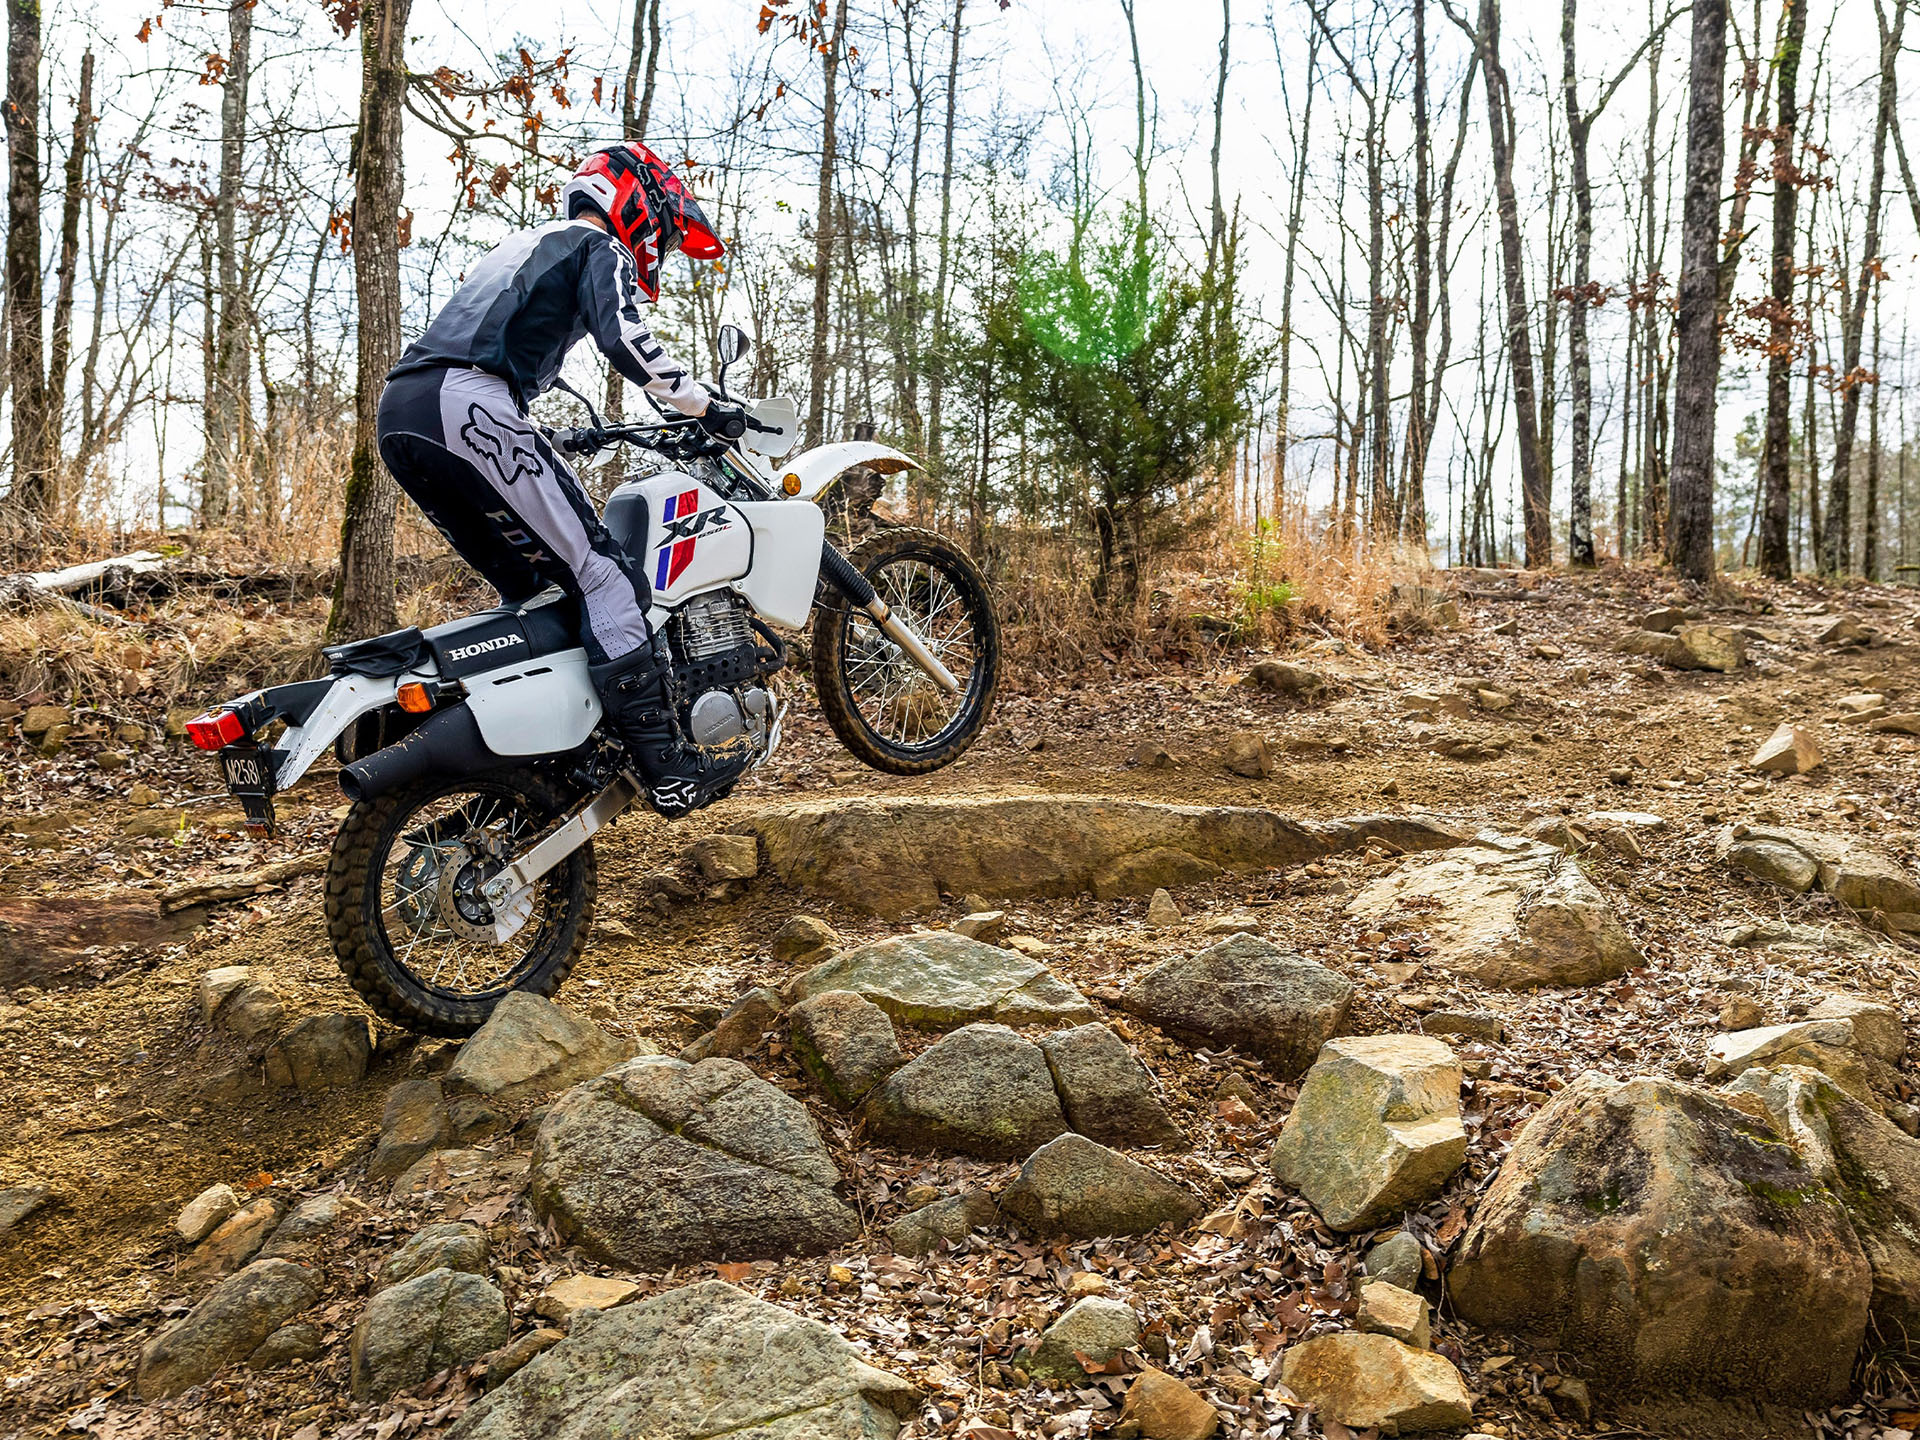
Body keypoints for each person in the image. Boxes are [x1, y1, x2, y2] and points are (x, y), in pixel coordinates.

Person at [375, 141, 751, 818]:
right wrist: (706, 404)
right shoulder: (594, 247)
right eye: (660, 228)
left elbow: (497, 335)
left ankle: (549, 752)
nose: (657, 244)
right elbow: (625, 340)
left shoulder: (527, 243)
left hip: (404, 413)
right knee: (603, 574)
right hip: (467, 403)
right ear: (636, 204)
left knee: (541, 591)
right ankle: (666, 765)